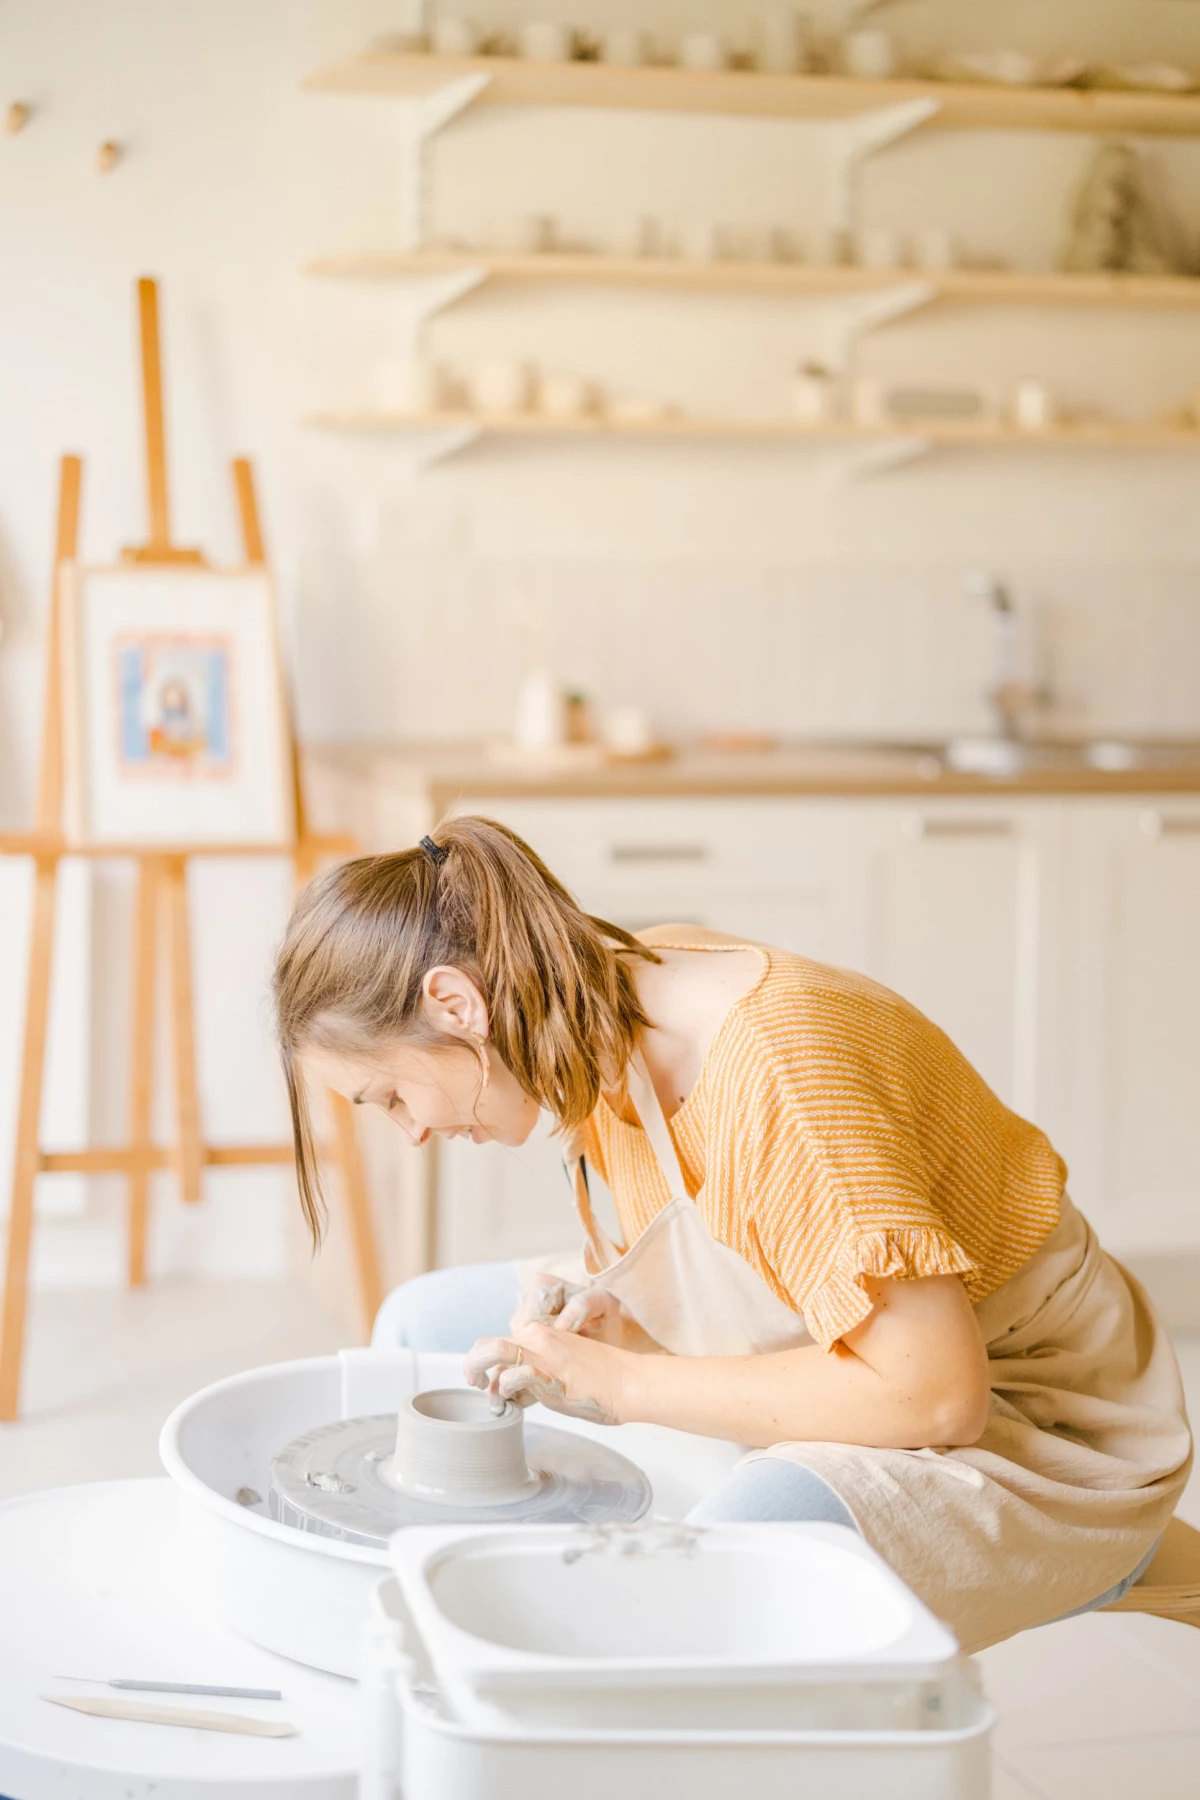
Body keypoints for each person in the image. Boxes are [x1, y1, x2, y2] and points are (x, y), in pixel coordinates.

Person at [272, 815, 1191, 1653]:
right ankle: (485, 1627)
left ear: (454, 1003)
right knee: (420, 1325)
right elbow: (744, 1232)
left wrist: (627, 1380)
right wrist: (610, 1311)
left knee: (706, 1580)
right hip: (844, 1324)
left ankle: (602, 1660)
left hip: (1031, 1413)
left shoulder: (779, 1066)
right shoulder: (595, 995)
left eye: (389, 1095)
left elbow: (938, 1398)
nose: (411, 1130)